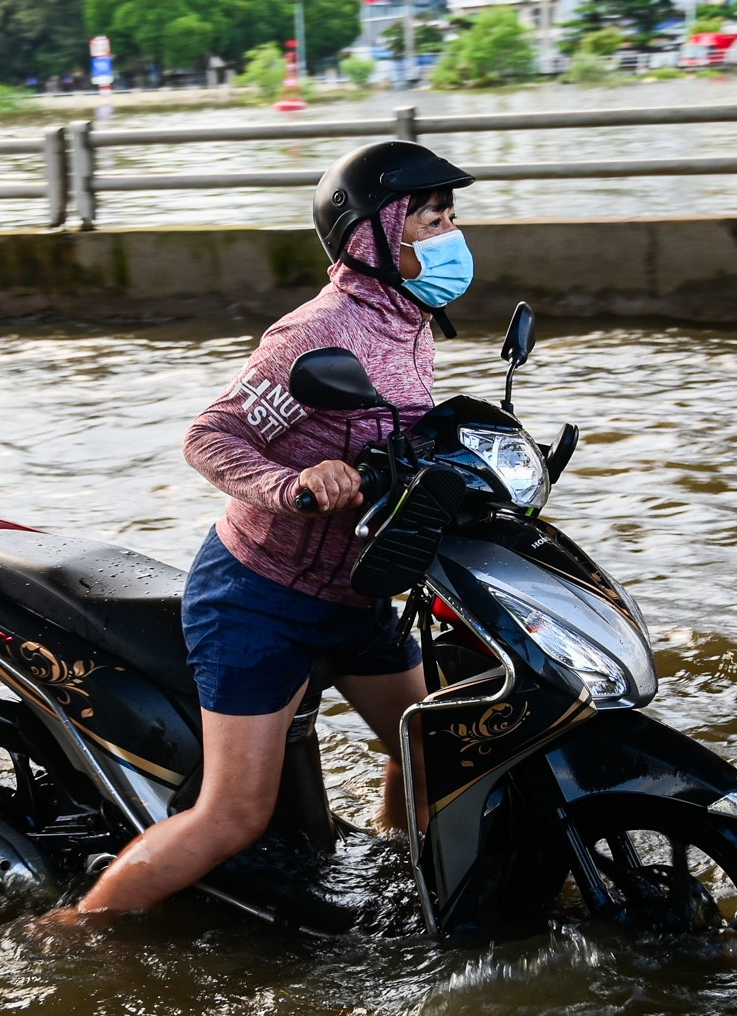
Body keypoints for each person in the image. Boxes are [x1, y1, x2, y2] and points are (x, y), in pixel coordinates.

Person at [44, 140, 476, 927]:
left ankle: (398, 875)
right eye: (428, 218)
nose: (447, 235)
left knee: (425, 755)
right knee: (233, 815)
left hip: (357, 590)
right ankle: (73, 931)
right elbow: (210, 436)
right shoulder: (315, 332)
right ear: (368, 234)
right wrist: (293, 486)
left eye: (449, 217)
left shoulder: (409, 317)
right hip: (259, 599)